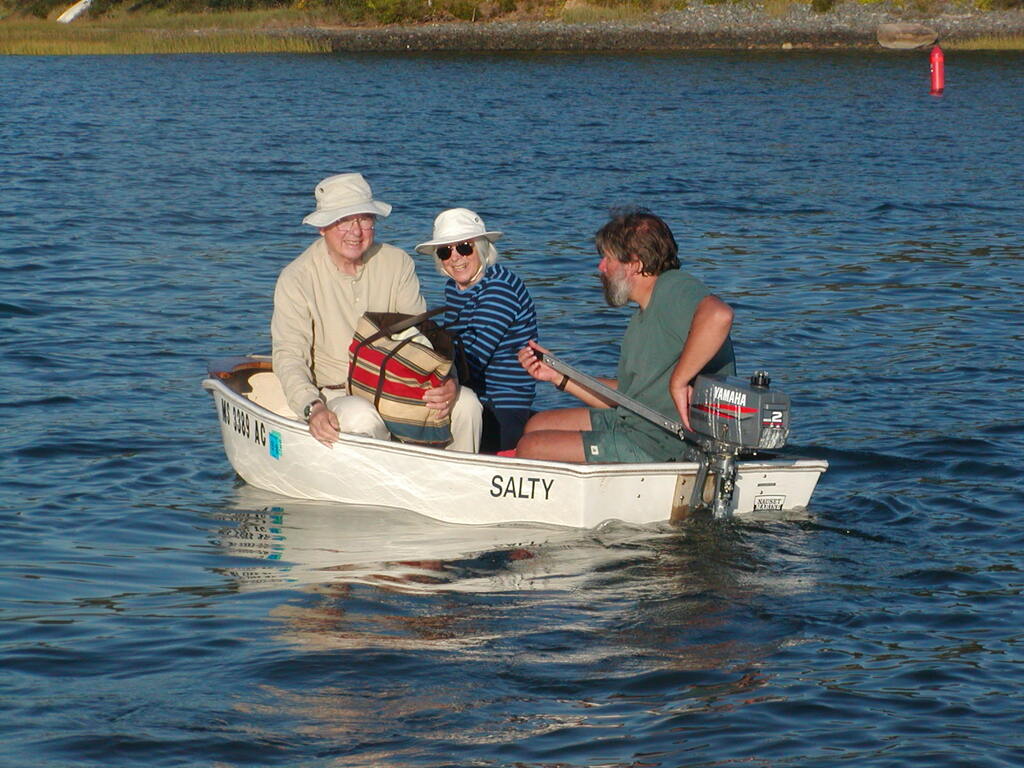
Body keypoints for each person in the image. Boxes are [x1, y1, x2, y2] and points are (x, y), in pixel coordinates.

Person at [271, 173, 482, 451]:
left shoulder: (397, 263)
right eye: (344, 220)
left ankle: (461, 488)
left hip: (399, 386)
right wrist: (313, 408)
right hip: (336, 394)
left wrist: (448, 381)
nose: (356, 231)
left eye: (364, 219)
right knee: (362, 416)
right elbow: (289, 356)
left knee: (466, 404)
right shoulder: (296, 277)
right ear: (322, 228)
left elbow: (422, 340)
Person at [516, 208, 735, 463]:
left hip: (664, 442)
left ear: (634, 265)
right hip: (633, 422)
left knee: (533, 447)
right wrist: (559, 374)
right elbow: (628, 395)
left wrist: (679, 381)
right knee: (537, 425)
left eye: (607, 258)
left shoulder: (674, 287)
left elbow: (719, 315)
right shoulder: (643, 314)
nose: (601, 267)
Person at [415, 208, 538, 453]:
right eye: (445, 251)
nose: (455, 258)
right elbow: (455, 347)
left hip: (502, 402)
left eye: (464, 247)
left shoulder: (499, 288)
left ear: (481, 247)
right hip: (471, 392)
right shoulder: (455, 286)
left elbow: (472, 357)